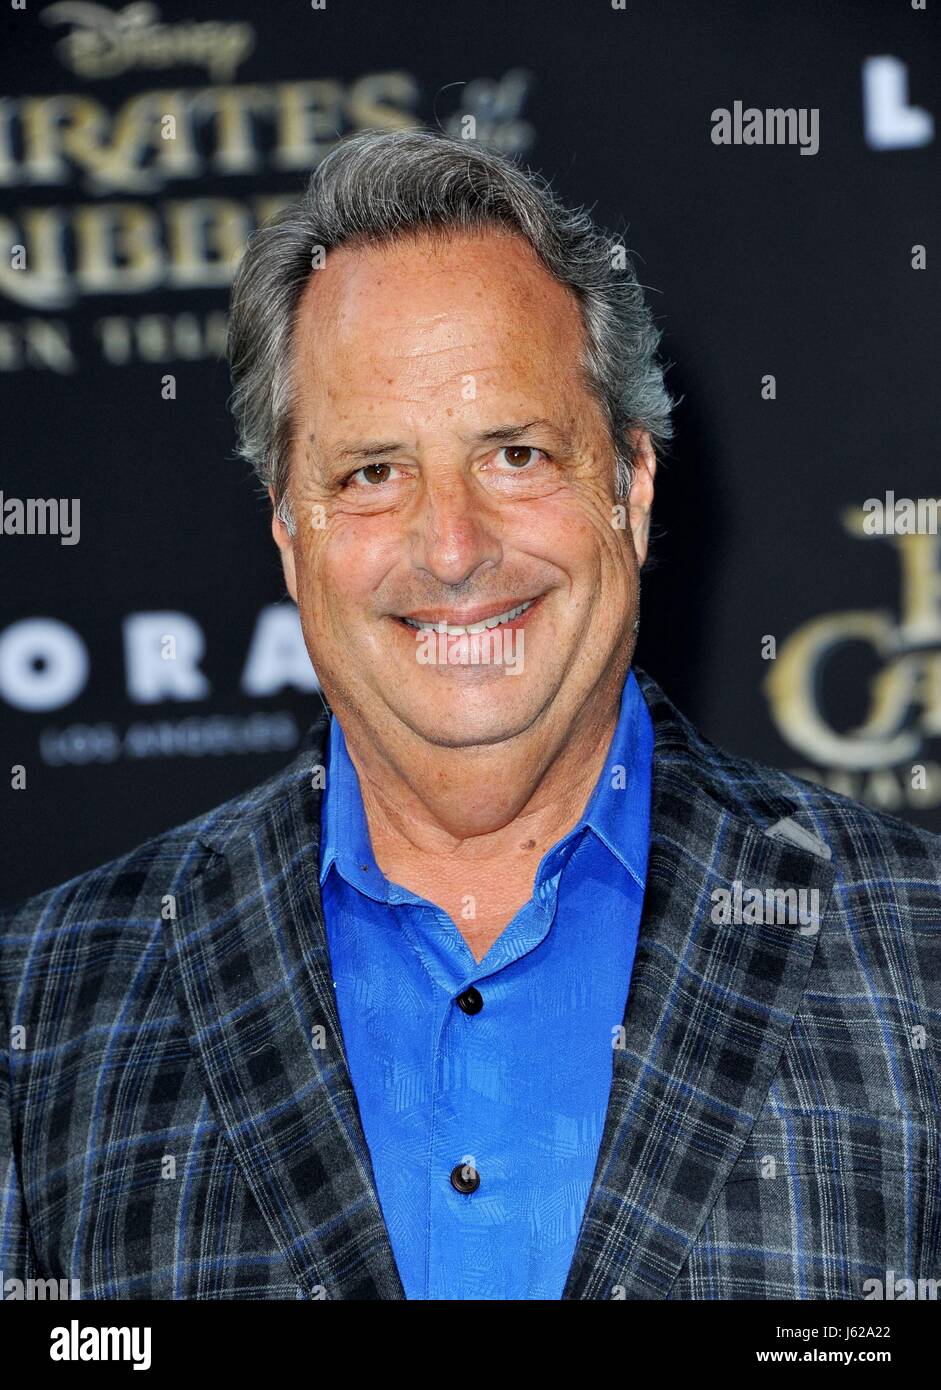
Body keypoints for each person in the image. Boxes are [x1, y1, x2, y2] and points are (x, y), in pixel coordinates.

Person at [2, 128, 938, 1301]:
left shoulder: (917, 950)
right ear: (292, 539)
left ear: (629, 490)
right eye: (371, 474)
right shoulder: (44, 1007)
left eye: (514, 452)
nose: (451, 548)